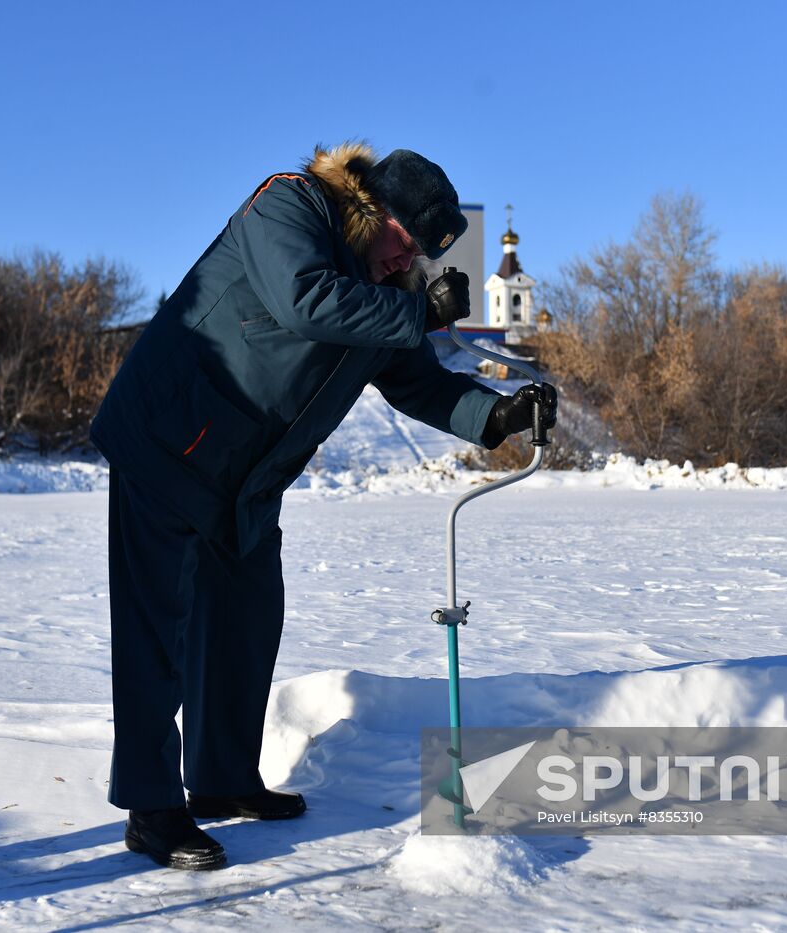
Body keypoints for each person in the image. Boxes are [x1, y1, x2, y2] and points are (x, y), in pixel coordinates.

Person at [89, 142, 557, 870]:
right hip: (168, 437)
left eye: (418, 262)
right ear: (373, 209)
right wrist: (417, 312)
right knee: (156, 630)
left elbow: (419, 382)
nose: (406, 266)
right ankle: (152, 806)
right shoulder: (291, 204)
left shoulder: (388, 287)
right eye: (403, 246)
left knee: (245, 617)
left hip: (243, 473)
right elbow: (302, 298)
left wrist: (499, 417)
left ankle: (222, 778)